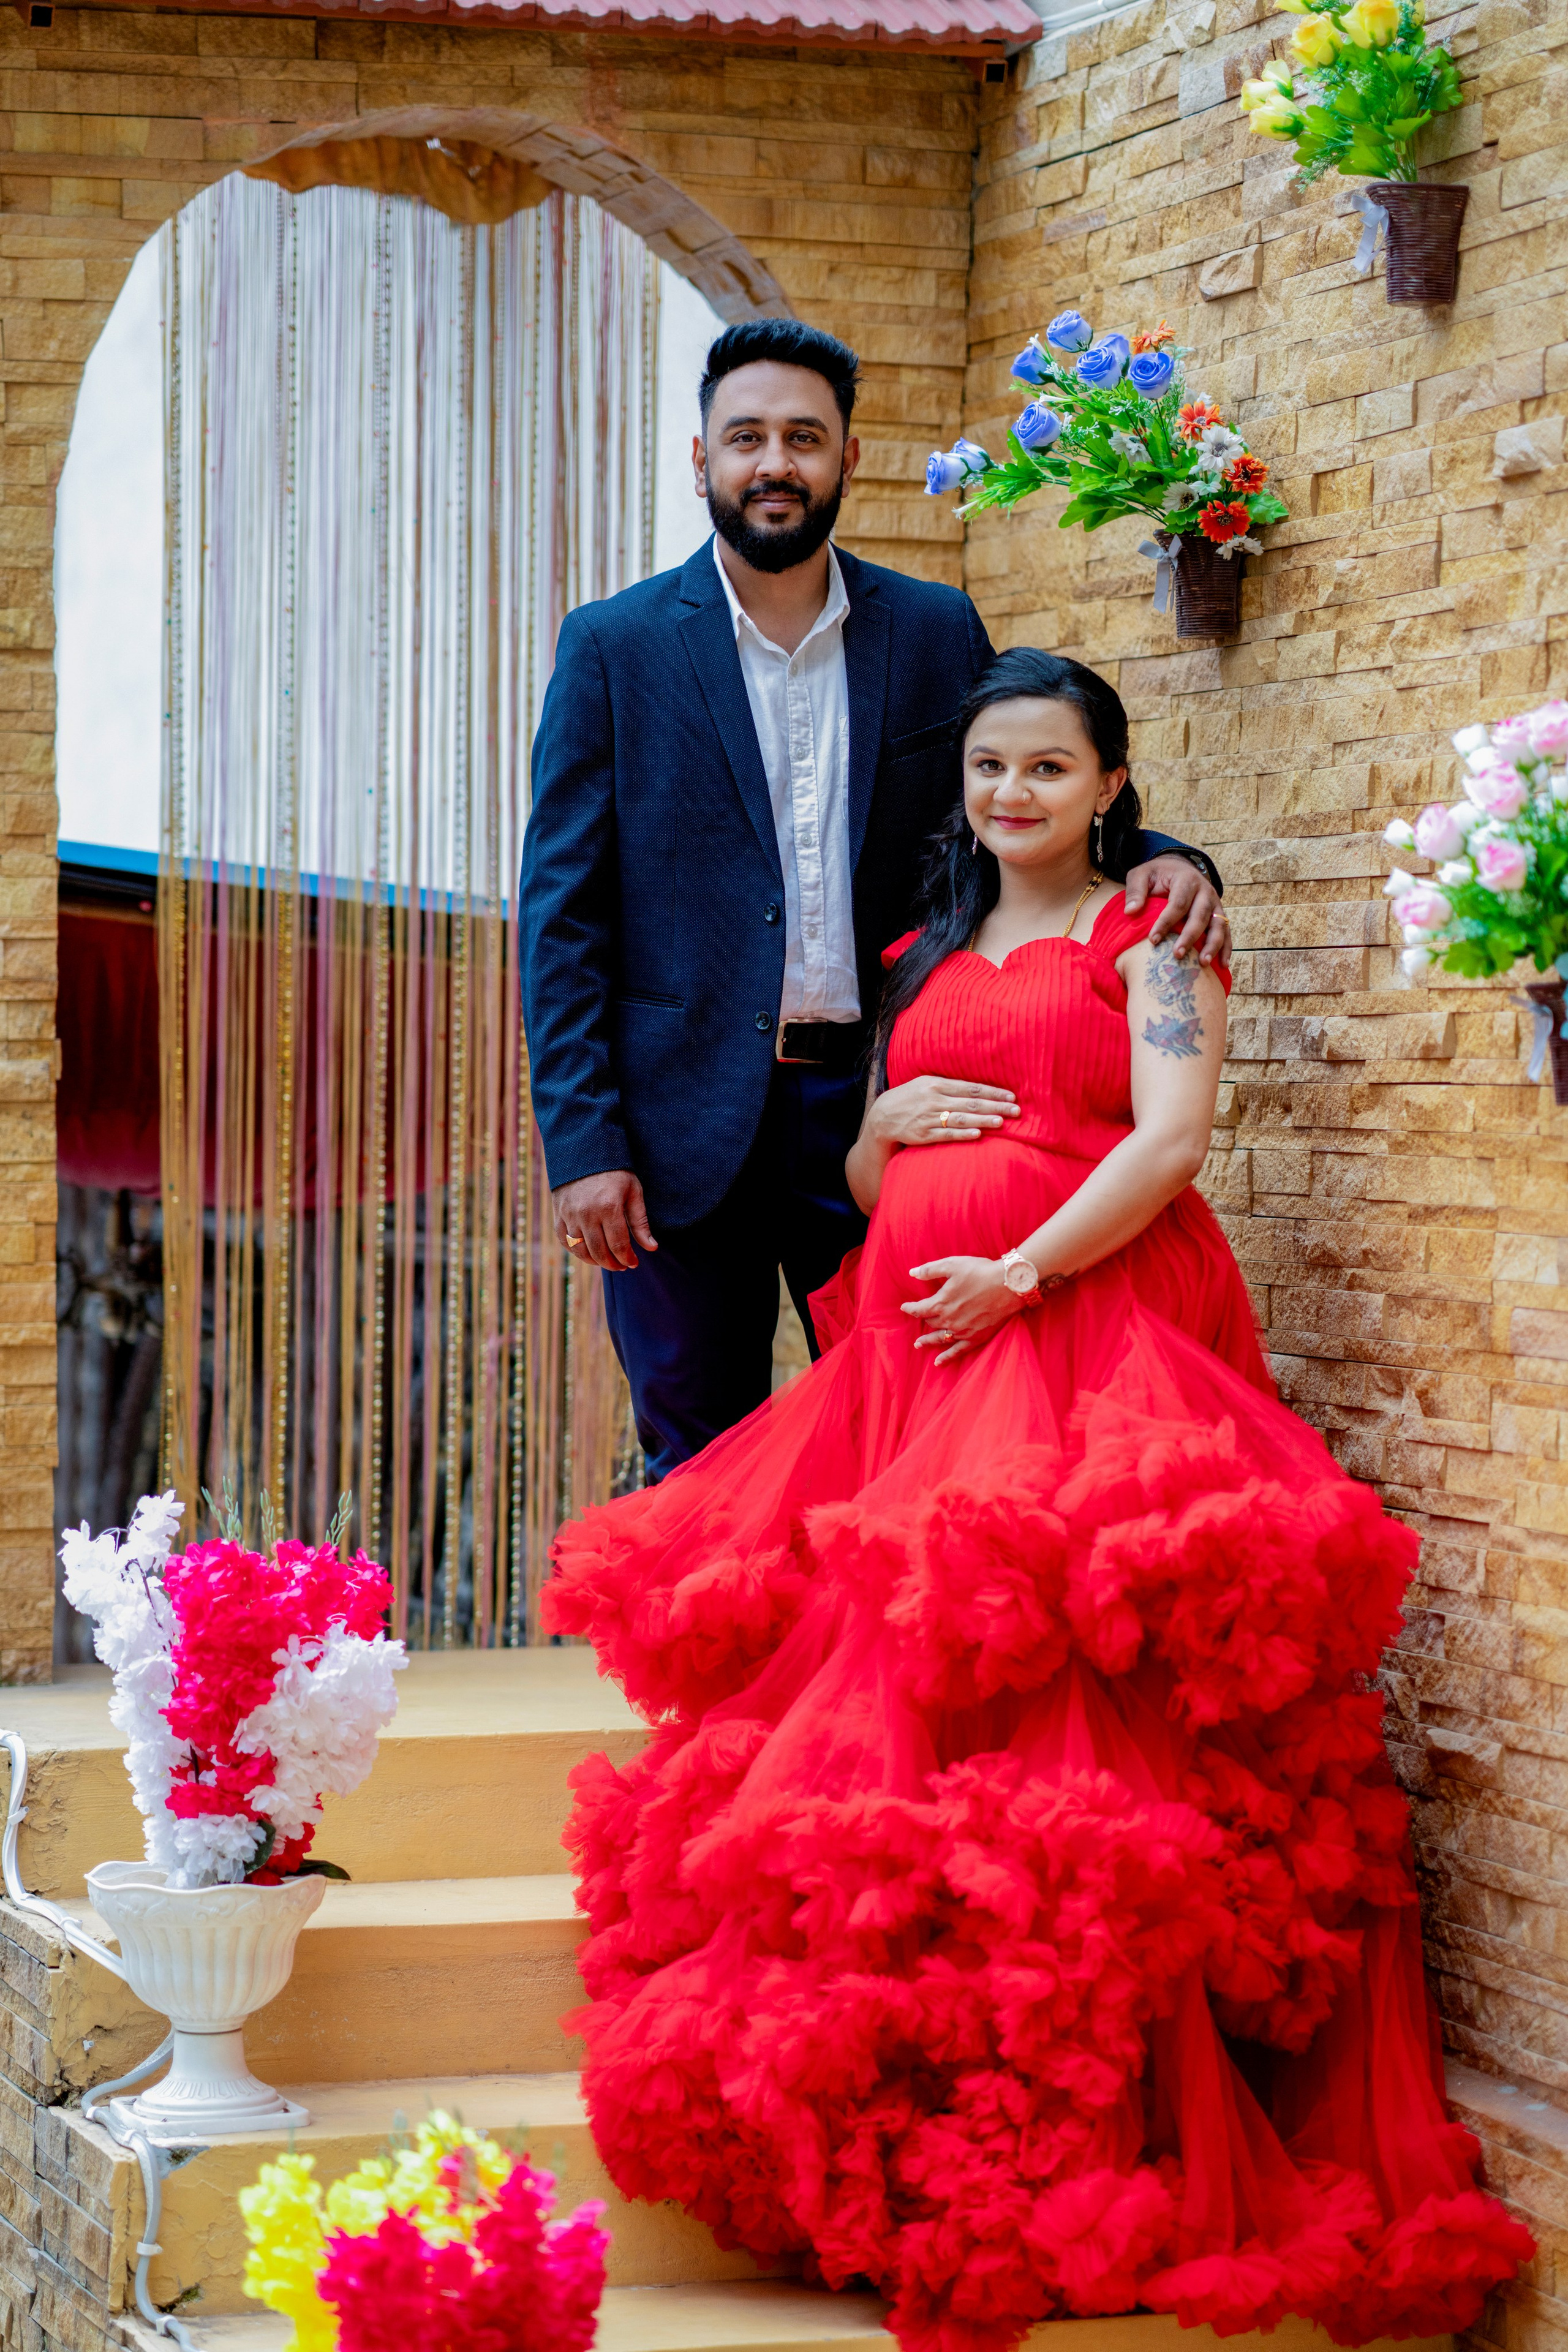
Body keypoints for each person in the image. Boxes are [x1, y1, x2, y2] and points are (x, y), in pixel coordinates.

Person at [543, 649, 1531, 2352]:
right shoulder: (927, 951)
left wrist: (1014, 1271)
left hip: (1086, 1340)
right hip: (911, 1369)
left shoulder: (1157, 940)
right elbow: (868, 1173)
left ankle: (1096, 2139)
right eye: (994, 767)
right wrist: (887, 1129)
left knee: (1075, 1729)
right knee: (914, 1726)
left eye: (1051, 769)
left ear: (1111, 785)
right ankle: (918, 2087)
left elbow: (1168, 1143)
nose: (1015, 795)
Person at [520, 320, 1230, 1482]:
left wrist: (1165, 855)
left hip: (890, 1105)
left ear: (849, 458)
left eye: (805, 437)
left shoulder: (933, 629)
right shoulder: (615, 648)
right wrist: (584, 1142)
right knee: (700, 1461)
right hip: (678, 1122)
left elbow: (1016, 773)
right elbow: (563, 911)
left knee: (913, 1437)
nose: (775, 463)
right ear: (701, 461)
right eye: (746, 437)